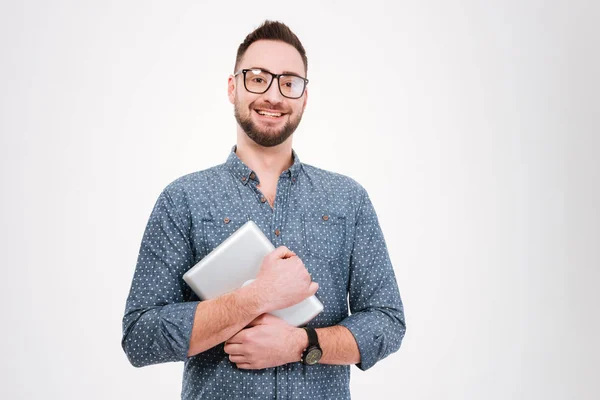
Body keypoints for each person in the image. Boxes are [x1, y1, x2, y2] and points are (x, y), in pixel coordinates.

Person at [122, 20, 406, 400]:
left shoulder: (348, 199)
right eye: (258, 78)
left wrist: (300, 343)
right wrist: (255, 298)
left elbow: (387, 322)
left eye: (289, 82)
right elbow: (140, 337)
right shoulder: (183, 199)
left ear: (304, 96)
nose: (273, 95)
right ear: (232, 86)